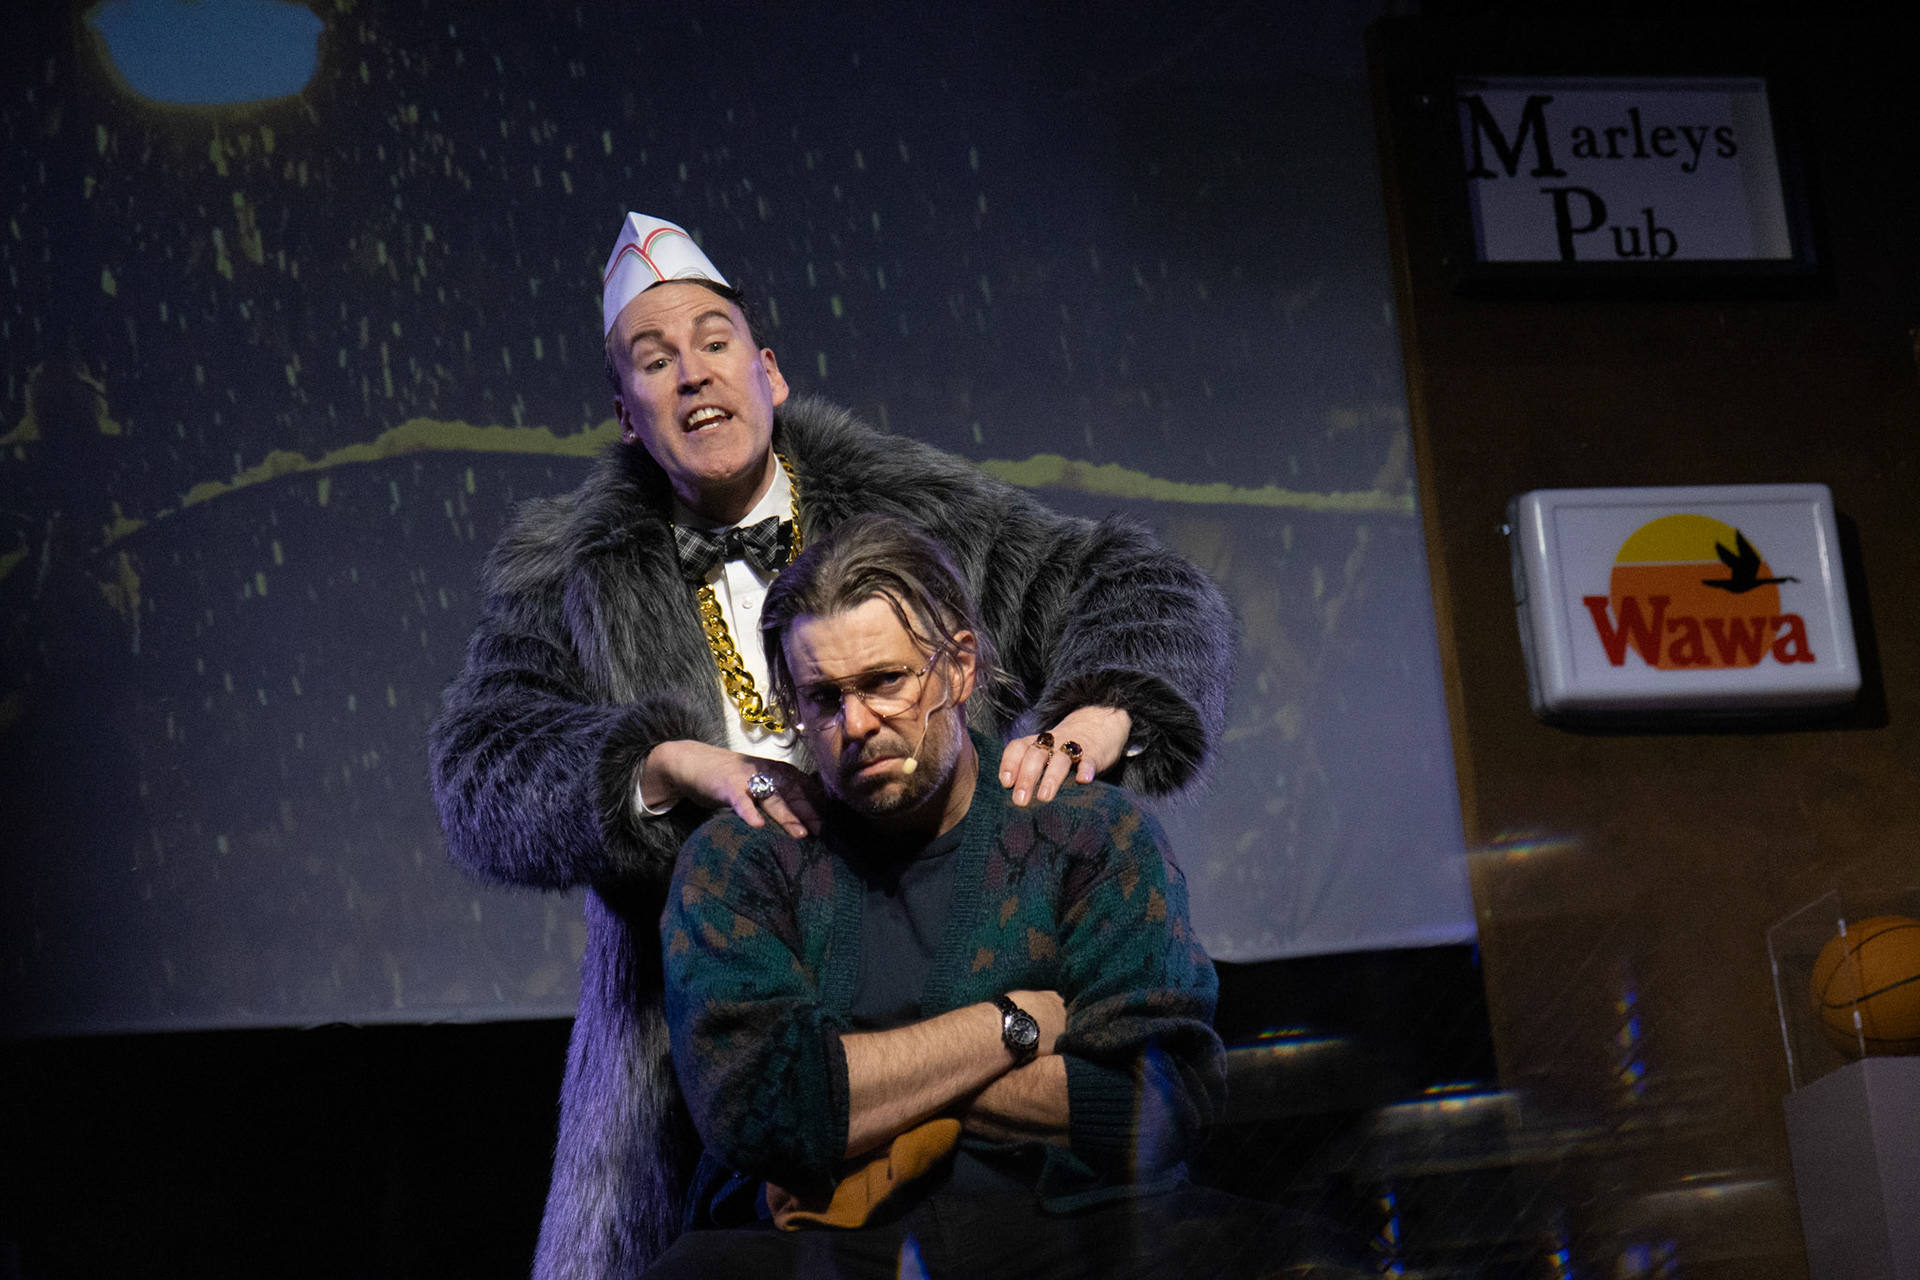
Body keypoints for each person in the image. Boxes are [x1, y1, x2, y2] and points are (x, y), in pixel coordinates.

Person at [427, 214, 1235, 1278]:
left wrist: (1108, 704)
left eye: (713, 341)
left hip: (949, 959)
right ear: (625, 417)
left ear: (768, 372)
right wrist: (657, 765)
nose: (691, 372)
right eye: (653, 360)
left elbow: (1137, 583)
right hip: (701, 1039)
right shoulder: (561, 574)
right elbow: (479, 770)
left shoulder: (924, 508)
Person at [650, 514, 1234, 1278]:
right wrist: (1014, 1024)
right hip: (813, 1249)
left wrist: (863, 1086)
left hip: (1068, 1233)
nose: (857, 723)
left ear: (959, 667)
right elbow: (765, 1113)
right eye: (822, 697)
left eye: (885, 682)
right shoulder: (742, 861)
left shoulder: (1086, 834)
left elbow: (1160, 1099)